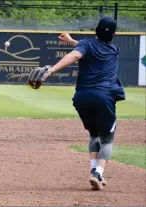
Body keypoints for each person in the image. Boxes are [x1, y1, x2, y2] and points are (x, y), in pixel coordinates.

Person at [46, 17, 125, 190]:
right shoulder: (114, 50)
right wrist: (73, 42)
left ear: (96, 29)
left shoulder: (87, 44)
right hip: (104, 97)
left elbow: (76, 54)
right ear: (113, 34)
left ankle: (93, 170)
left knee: (93, 135)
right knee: (107, 138)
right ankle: (98, 173)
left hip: (82, 97)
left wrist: (51, 69)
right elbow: (83, 49)